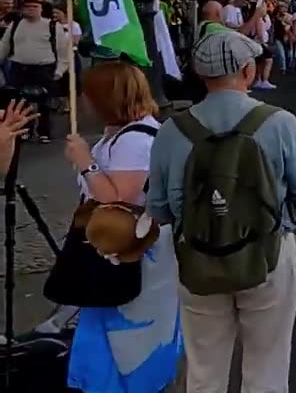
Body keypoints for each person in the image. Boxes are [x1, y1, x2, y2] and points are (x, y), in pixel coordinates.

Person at [148, 28, 296, 392]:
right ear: (248, 71)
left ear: (200, 75)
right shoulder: (279, 123)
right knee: (267, 364)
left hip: (197, 259)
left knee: (204, 368)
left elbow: (160, 211)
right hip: (268, 254)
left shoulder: (171, 130)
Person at [65, 62, 182, 393]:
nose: (83, 101)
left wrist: (85, 162)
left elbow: (119, 202)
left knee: (126, 339)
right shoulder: (127, 132)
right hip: (125, 253)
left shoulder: (135, 141)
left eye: (88, 95)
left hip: (133, 255)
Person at [0, 0, 68, 143]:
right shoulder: (15, 25)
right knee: (20, 103)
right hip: (19, 69)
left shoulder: (52, 26)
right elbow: (4, 46)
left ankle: (44, 132)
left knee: (45, 104)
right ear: (22, 9)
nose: (31, 9)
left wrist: (59, 71)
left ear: (41, 8)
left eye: (34, 7)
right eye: (27, 7)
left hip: (44, 70)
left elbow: (64, 51)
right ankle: (25, 131)